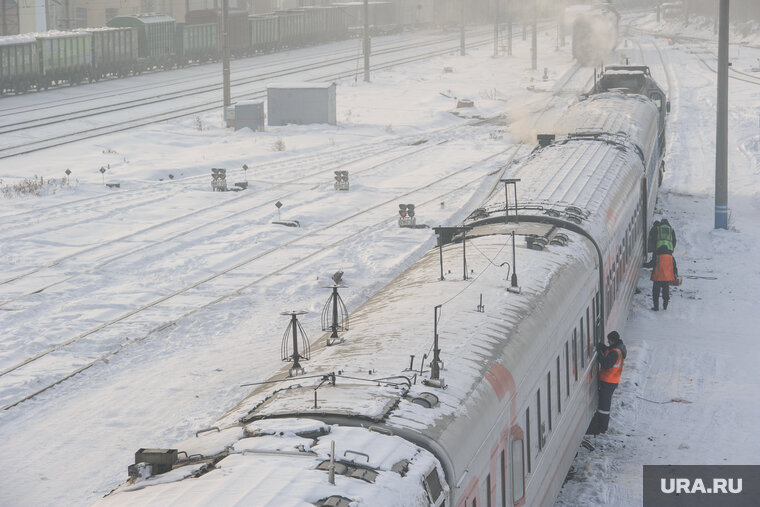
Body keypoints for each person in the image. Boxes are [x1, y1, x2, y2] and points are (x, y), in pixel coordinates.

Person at [591, 331, 626, 434]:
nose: (608, 341)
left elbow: (606, 364)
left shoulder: (615, 352)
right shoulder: (617, 348)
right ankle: (601, 425)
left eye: (609, 340)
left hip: (609, 382)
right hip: (610, 381)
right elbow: (609, 351)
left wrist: (599, 353)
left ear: (613, 340)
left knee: (604, 407)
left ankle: (602, 428)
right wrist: (604, 348)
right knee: (603, 405)